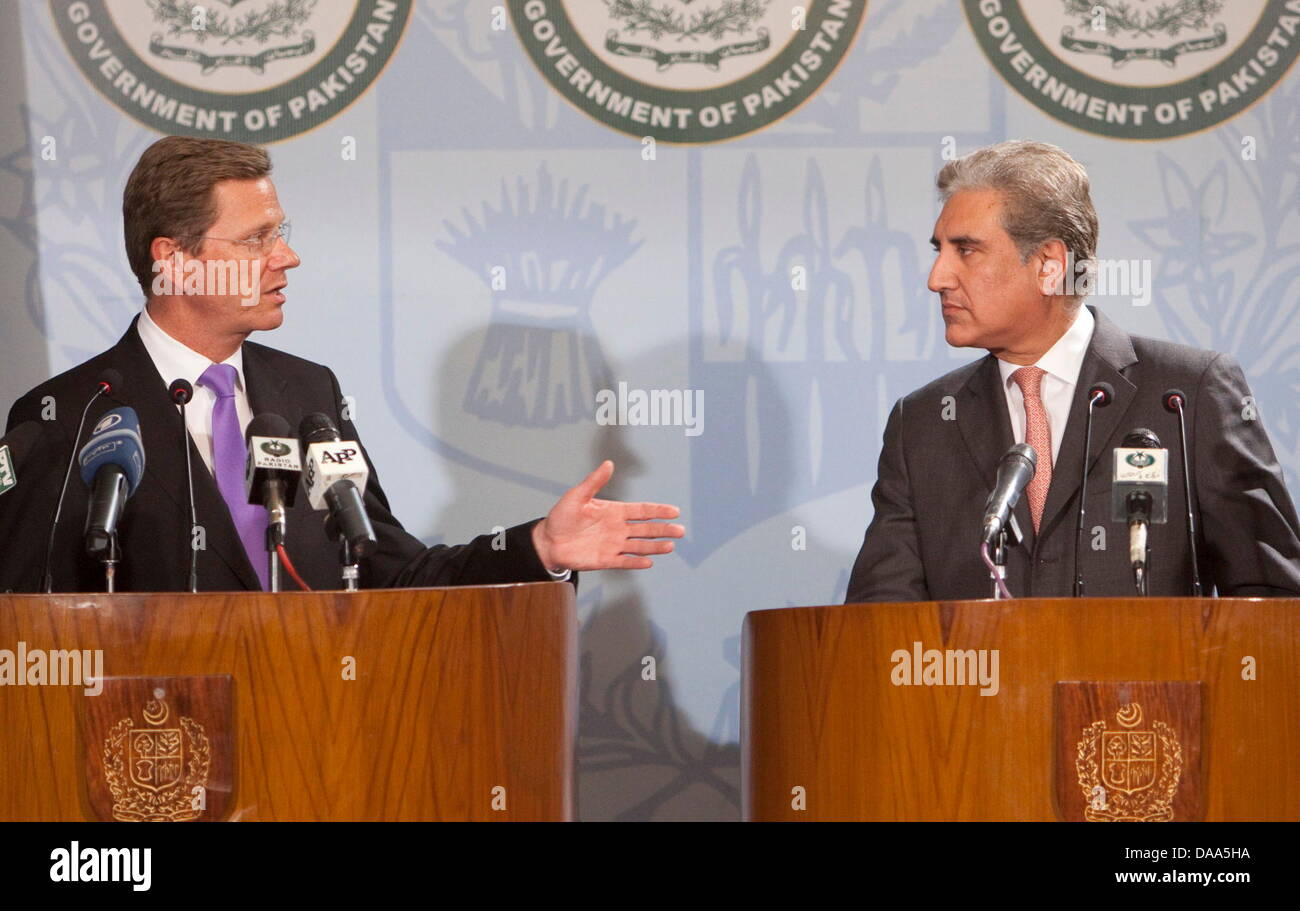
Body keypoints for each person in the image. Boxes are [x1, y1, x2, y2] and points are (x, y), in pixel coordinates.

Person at [2, 136, 683, 593]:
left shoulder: (305, 393)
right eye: (256, 239)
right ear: (172, 260)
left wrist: (538, 546)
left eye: (282, 234)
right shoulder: (70, 418)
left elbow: (393, 572)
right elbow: (29, 629)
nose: (286, 257)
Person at [847, 140, 1300, 602]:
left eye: (966, 250)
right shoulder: (923, 422)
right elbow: (878, 620)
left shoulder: (1188, 395)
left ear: (1050, 266)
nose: (937, 277)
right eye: (939, 249)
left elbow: (1275, 604)